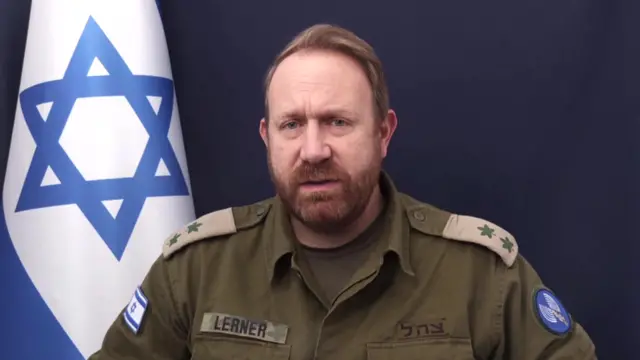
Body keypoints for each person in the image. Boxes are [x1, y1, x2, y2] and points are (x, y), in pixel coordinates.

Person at [89, 24, 597, 359]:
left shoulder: (479, 273)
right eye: (292, 124)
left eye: (337, 122)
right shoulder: (196, 269)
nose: (313, 149)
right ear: (267, 138)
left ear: (383, 132)